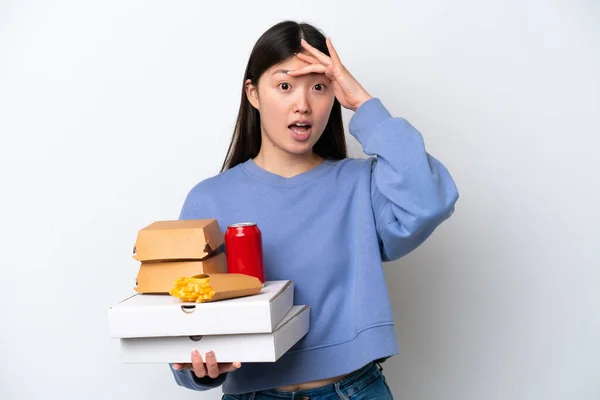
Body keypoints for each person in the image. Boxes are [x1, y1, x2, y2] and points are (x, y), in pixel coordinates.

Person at [169, 20, 459, 399]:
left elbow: (431, 200)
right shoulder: (207, 200)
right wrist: (201, 372)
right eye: (285, 86)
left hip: (354, 389)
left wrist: (363, 104)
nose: (302, 105)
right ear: (253, 94)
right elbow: (184, 323)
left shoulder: (363, 185)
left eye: (319, 87)